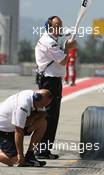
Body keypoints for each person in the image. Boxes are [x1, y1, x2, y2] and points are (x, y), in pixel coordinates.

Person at [35, 16, 77, 159]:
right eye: (57, 26)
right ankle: (42, 150)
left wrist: (71, 33)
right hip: (49, 82)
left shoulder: (50, 37)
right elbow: (63, 61)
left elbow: (64, 33)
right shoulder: (49, 43)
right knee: (50, 117)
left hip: (51, 80)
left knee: (51, 117)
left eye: (60, 26)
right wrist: (68, 48)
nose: (59, 28)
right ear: (49, 26)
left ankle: (44, 150)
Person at [0, 89, 52, 167]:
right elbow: (19, 132)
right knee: (15, 161)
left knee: (42, 123)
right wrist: (20, 155)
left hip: (14, 126)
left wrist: (32, 120)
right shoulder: (22, 105)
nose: (42, 107)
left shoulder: (37, 98)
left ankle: (30, 155)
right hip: (3, 130)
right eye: (42, 105)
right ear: (36, 98)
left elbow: (43, 114)